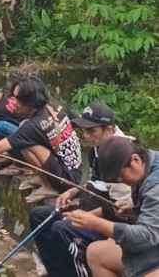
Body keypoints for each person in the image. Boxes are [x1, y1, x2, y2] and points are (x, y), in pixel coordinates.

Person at [30, 102, 132, 277]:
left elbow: (117, 208)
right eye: (83, 130)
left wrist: (86, 217)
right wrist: (73, 191)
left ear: (108, 130)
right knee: (39, 215)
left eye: (91, 131)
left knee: (62, 228)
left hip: (110, 220)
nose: (85, 135)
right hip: (89, 208)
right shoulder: (97, 150)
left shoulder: (122, 154)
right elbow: (95, 182)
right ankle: (58, 272)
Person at [64, 137, 159, 277]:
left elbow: (146, 237)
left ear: (136, 160)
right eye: (115, 179)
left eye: (120, 174)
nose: (119, 180)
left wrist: (96, 224)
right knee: (95, 253)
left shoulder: (155, 185)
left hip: (152, 243)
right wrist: (134, 209)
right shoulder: (149, 163)